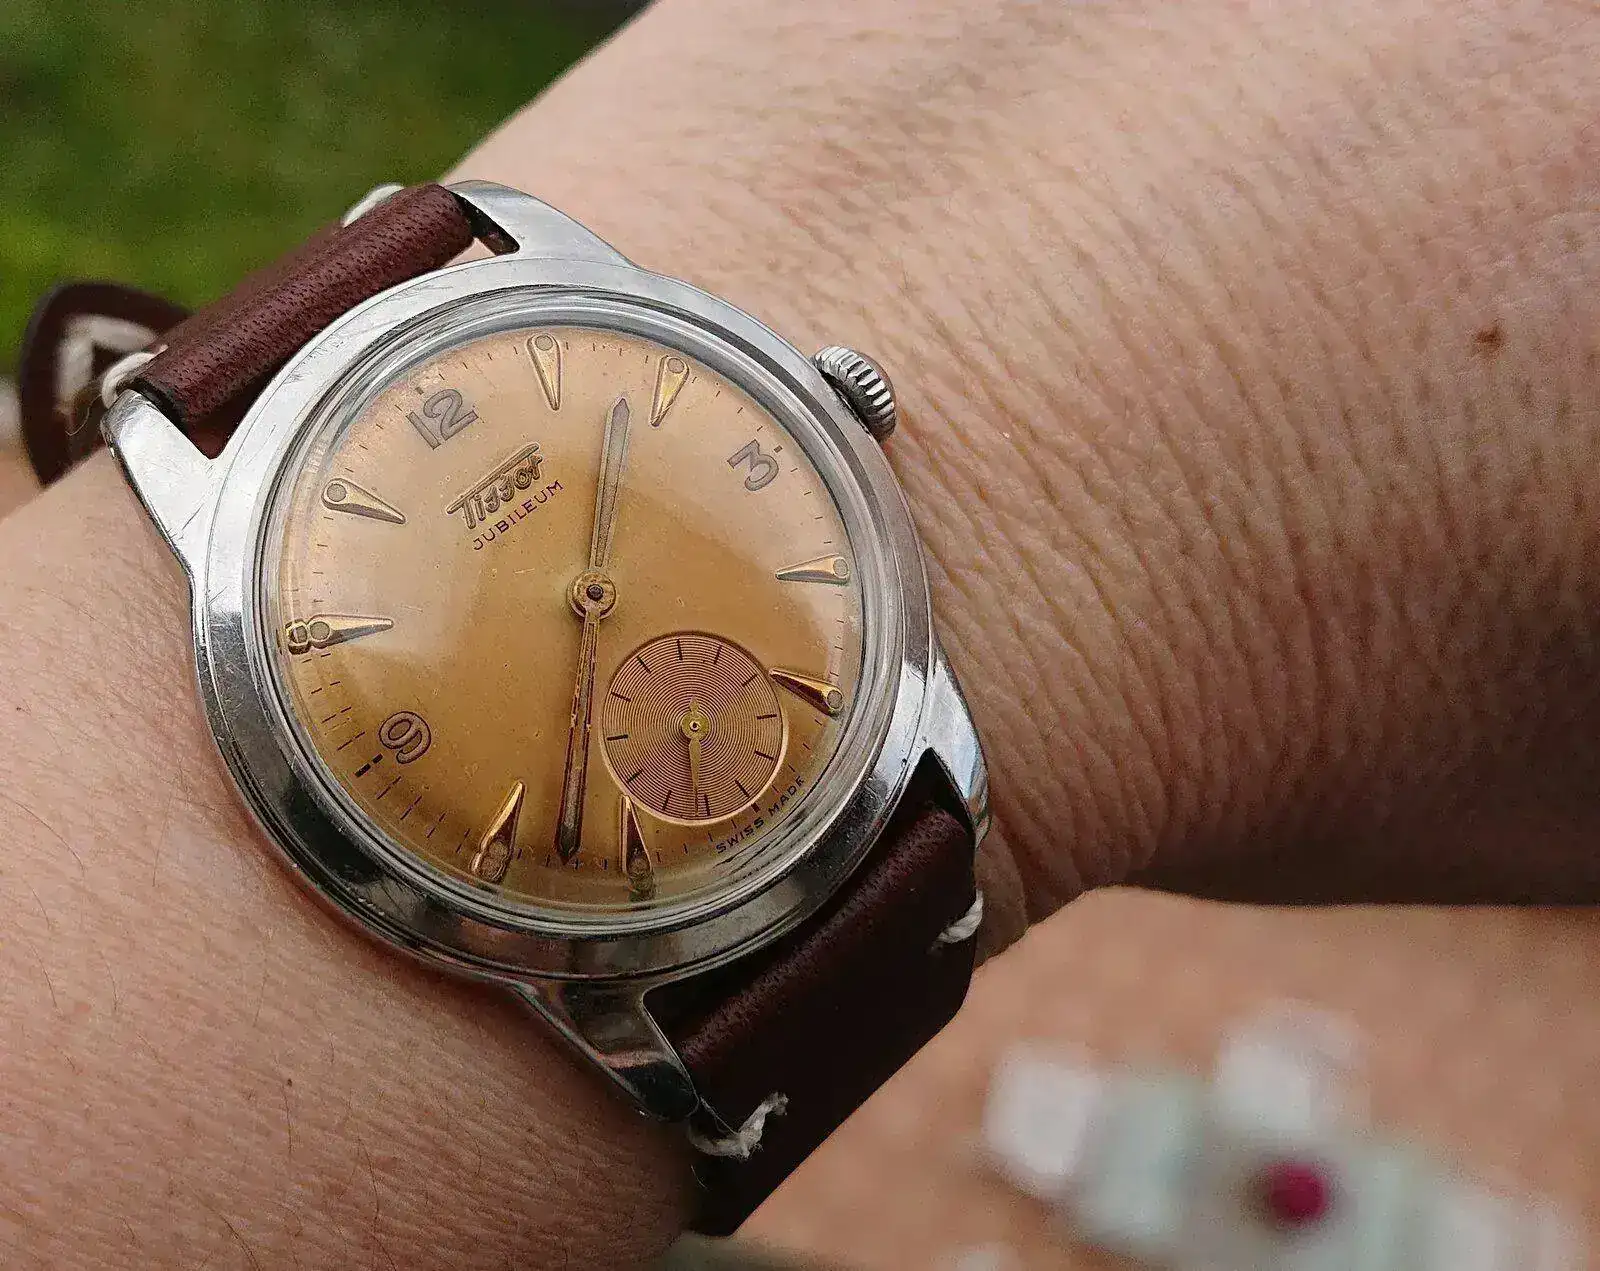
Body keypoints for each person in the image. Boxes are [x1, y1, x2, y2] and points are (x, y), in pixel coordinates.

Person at [3, 1, 1596, 1266]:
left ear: (840, 400)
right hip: (553, 855)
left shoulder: (525, 282)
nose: (592, 594)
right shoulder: (609, 954)